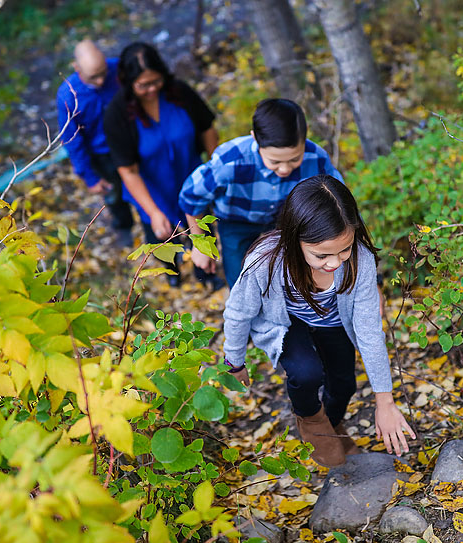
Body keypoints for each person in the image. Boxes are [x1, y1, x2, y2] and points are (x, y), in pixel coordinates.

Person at [222, 175, 415, 467]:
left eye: (344, 250)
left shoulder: (360, 260)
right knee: (306, 373)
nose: (335, 263)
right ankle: (313, 423)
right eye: (321, 255)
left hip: (334, 322)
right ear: (294, 238)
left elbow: (369, 331)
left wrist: (384, 402)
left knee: (344, 384)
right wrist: (234, 362)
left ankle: (332, 427)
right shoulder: (266, 261)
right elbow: (239, 312)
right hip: (288, 324)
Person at [179, 99, 342, 288]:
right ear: (255, 138)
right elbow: (191, 197)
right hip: (236, 221)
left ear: (304, 137)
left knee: (292, 275)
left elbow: (338, 203)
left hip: (287, 222)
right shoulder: (230, 161)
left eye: (294, 159)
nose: (284, 169)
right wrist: (200, 244)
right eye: (274, 161)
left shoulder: (316, 157)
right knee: (241, 278)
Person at [103, 42, 222, 287]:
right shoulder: (117, 114)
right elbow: (128, 169)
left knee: (202, 230)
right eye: (143, 85)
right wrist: (153, 212)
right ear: (128, 82)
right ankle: (172, 272)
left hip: (192, 178)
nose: (151, 89)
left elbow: (207, 128)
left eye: (155, 81)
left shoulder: (179, 92)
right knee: (160, 235)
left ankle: (206, 275)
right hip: (151, 189)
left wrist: (214, 167)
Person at [57, 39, 134, 244]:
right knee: (113, 195)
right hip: (102, 155)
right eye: (94, 77)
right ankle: (123, 226)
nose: (101, 81)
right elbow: (72, 140)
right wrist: (88, 177)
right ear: (77, 68)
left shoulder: (118, 68)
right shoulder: (68, 95)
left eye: (103, 73)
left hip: (130, 142)